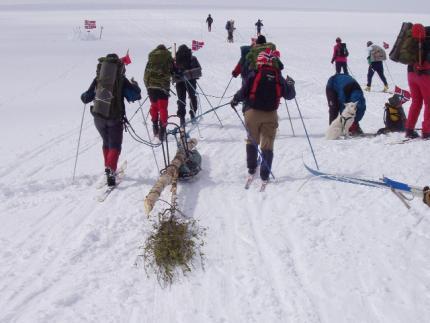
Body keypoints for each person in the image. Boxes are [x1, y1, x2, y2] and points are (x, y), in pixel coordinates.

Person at [230, 49, 296, 182]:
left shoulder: (253, 74)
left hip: (252, 113)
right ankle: (265, 174)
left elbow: (243, 91)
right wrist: (291, 84)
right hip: (270, 114)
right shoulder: (278, 76)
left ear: (260, 61)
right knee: (267, 143)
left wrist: (235, 99)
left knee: (252, 139)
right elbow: (290, 95)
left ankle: (251, 168)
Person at [80, 53, 141, 186]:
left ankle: (108, 167)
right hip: (114, 118)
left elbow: (86, 97)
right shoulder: (121, 79)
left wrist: (84, 96)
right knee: (115, 145)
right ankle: (111, 170)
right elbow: (134, 96)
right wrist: (135, 86)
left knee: (106, 142)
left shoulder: (99, 78)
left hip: (98, 117)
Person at [143, 44, 174, 141]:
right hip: (163, 87)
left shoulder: (151, 57)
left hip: (151, 87)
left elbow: (146, 74)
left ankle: (155, 127)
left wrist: (148, 86)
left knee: (154, 107)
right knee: (163, 108)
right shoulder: (168, 56)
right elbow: (173, 70)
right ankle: (162, 130)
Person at [173, 44, 202, 126]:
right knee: (192, 97)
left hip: (179, 82)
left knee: (181, 99)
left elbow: (172, 72)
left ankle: (182, 118)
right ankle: (193, 114)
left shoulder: (175, 60)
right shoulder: (192, 58)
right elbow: (199, 70)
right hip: (191, 81)